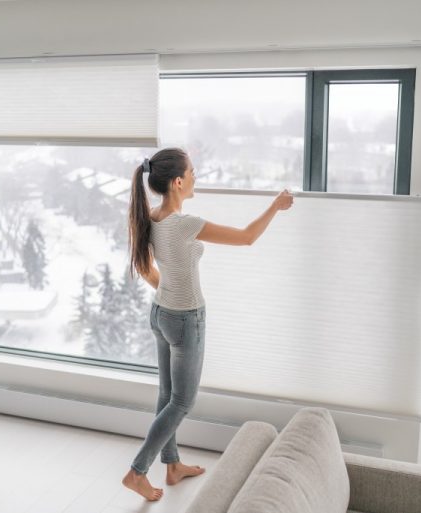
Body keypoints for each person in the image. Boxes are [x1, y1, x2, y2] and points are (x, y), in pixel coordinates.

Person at [122, 147, 294, 501]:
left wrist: (167, 289)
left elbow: (144, 268)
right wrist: (275, 207)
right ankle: (138, 471)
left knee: (167, 396)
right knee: (182, 401)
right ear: (178, 182)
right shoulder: (184, 225)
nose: (197, 177)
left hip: (160, 313)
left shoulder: (149, 217)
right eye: (193, 171)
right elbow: (247, 237)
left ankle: (171, 466)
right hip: (185, 319)